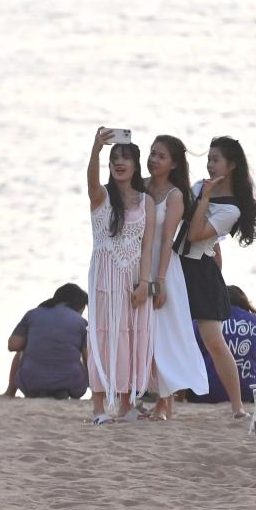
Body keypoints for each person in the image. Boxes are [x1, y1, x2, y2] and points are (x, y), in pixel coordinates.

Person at [179, 136, 256, 419]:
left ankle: (237, 406)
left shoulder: (231, 208)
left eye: (216, 160)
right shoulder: (199, 187)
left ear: (232, 165)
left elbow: (195, 234)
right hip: (177, 265)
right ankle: (164, 401)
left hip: (200, 272)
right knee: (165, 334)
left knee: (214, 341)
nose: (210, 165)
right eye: (208, 159)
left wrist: (204, 198)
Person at [86, 128, 156, 423]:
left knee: (132, 338)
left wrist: (145, 284)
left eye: (125, 157)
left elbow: (147, 247)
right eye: (114, 158)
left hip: (133, 279)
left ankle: (127, 404)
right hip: (105, 278)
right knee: (102, 336)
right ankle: (99, 407)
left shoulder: (146, 202)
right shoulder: (101, 196)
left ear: (136, 165)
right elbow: (91, 180)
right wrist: (96, 149)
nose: (119, 162)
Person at [144, 135, 209, 420]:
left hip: (163, 269)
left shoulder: (175, 195)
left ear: (173, 164)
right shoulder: (141, 186)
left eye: (161, 156)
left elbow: (168, 240)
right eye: (152, 153)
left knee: (164, 333)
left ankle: (164, 400)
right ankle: (158, 398)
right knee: (143, 331)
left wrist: (159, 281)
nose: (153, 160)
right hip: (138, 265)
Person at [4, 283, 89, 400]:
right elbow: (89, 359)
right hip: (72, 382)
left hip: (30, 381)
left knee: (20, 351)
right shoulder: (82, 322)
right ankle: (63, 389)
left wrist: (36, 340)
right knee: (82, 355)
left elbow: (13, 345)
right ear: (78, 306)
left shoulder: (33, 314)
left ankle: (10, 392)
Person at [188, 285, 256, 404]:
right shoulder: (255, 321)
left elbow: (189, 352)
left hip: (208, 392)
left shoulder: (205, 320)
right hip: (248, 391)